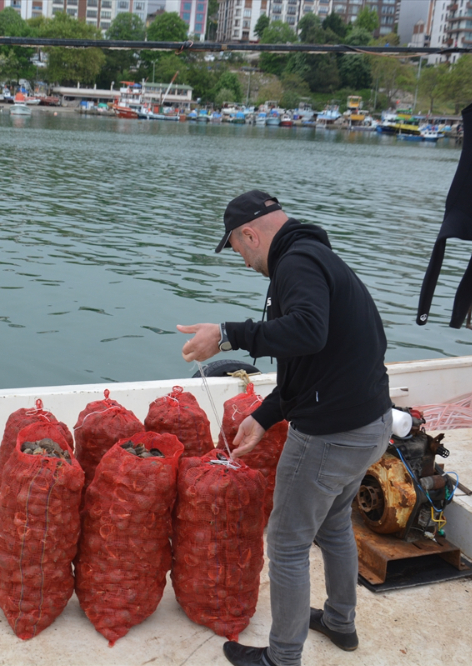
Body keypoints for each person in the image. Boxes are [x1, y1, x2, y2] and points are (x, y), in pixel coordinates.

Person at [178, 190, 392, 666]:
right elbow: (311, 359)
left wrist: (229, 333)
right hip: (371, 424)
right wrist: (265, 415)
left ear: (250, 234)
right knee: (334, 524)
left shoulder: (295, 264)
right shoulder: (316, 257)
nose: (243, 260)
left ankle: (282, 657)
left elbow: (307, 330)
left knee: (288, 543)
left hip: (331, 435)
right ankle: (340, 621)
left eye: (237, 248)